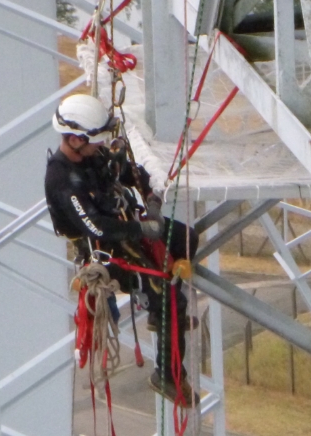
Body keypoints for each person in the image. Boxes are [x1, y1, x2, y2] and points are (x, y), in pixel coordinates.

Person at [44, 93, 199, 406]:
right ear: (74, 140)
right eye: (95, 140)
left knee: (186, 239)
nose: (100, 145)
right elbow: (95, 225)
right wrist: (141, 229)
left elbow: (125, 174)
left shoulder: (92, 157)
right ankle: (167, 375)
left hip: (126, 228)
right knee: (166, 295)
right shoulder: (62, 179)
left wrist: (145, 188)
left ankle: (161, 315)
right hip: (104, 251)